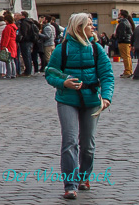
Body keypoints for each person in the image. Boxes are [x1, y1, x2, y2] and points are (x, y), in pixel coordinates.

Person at [46, 13, 114, 199]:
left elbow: (107, 74)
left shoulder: (96, 49)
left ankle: (84, 177)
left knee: (88, 144)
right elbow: (50, 73)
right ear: (78, 28)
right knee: (69, 142)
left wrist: (106, 97)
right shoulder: (62, 49)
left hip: (91, 100)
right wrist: (63, 83)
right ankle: (70, 185)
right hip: (67, 100)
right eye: (89, 25)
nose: (93, 28)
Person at [114, 9, 134, 78]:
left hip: (124, 41)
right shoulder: (127, 22)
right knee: (128, 57)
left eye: (119, 14)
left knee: (125, 57)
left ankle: (127, 72)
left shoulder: (122, 23)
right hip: (127, 41)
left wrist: (119, 38)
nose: (118, 16)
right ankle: (129, 70)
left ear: (122, 15)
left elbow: (122, 33)